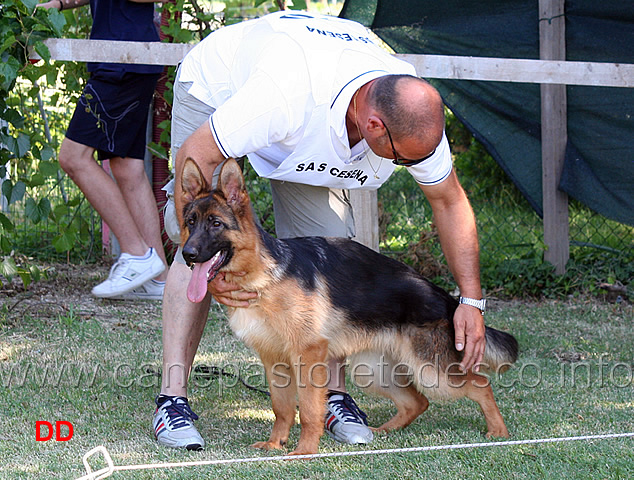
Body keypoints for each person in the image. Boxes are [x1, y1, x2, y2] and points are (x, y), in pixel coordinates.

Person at [153, 11, 487, 451]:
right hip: (220, 89)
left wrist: (472, 299)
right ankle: (172, 400)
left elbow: (448, 199)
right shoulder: (284, 93)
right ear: (372, 126)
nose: (406, 167)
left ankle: (332, 396)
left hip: (302, 134)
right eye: (401, 160)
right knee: (195, 245)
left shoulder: (411, 110)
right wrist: (209, 267)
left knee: (330, 257)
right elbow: (199, 154)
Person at [37, 0, 168, 299]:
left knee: (73, 157)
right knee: (128, 167)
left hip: (125, 60)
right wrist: (54, 4)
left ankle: (136, 254)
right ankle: (158, 280)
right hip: (120, 57)